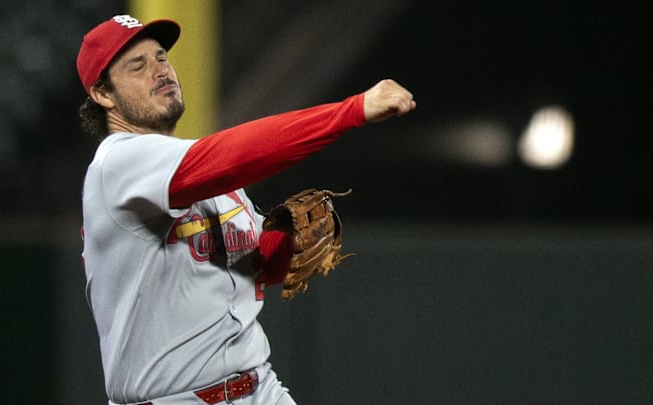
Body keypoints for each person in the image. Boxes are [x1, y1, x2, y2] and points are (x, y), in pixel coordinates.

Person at [76, 14, 415, 405]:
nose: (160, 70)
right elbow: (239, 152)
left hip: (260, 389)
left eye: (161, 58)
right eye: (138, 65)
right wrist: (350, 111)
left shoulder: (206, 177)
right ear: (103, 94)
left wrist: (285, 240)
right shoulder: (118, 164)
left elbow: (260, 265)